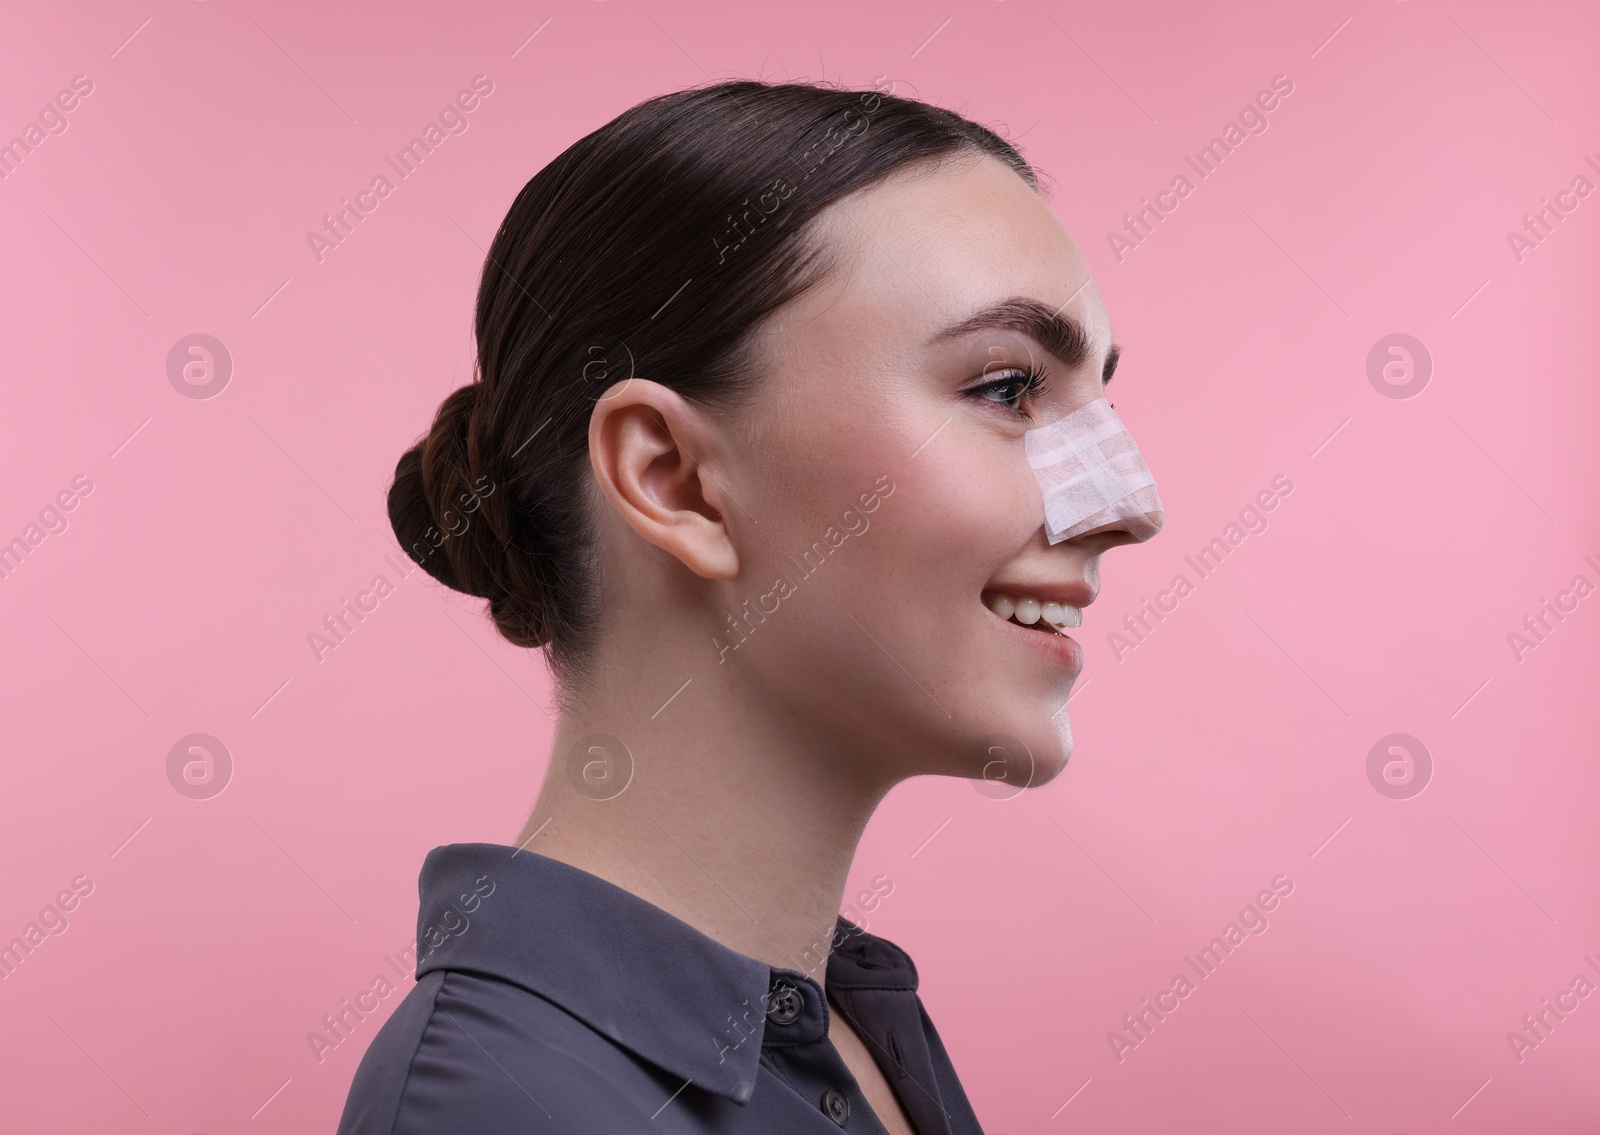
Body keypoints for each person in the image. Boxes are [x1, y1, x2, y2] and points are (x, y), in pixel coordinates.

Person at [339, 77, 1154, 1135]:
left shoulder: (849, 1026)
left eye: (1098, 396)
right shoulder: (503, 1106)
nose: (1132, 505)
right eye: (1004, 389)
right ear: (672, 478)